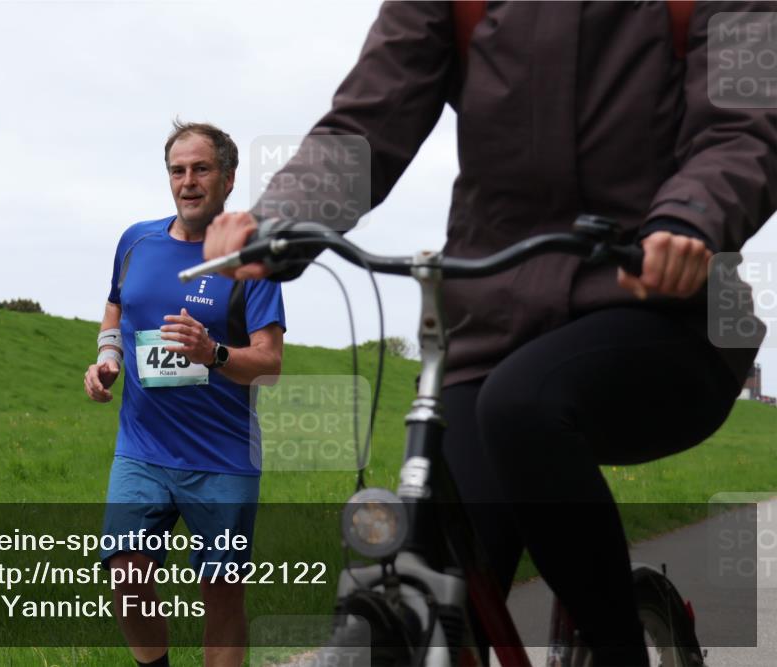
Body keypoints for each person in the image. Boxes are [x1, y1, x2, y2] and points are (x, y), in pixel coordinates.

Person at [201, 3, 776, 666]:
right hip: (490, 327)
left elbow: (744, 125)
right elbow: (366, 122)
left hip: (662, 310)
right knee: (458, 568)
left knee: (522, 406)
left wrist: (689, 219)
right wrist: (281, 217)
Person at [84, 121, 286, 667]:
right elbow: (116, 307)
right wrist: (109, 358)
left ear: (228, 178)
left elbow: (269, 364)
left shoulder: (252, 258)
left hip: (222, 457)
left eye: (201, 169)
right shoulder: (136, 241)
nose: (188, 181)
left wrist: (213, 353)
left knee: (221, 595)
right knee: (125, 573)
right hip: (142, 450)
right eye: (178, 170)